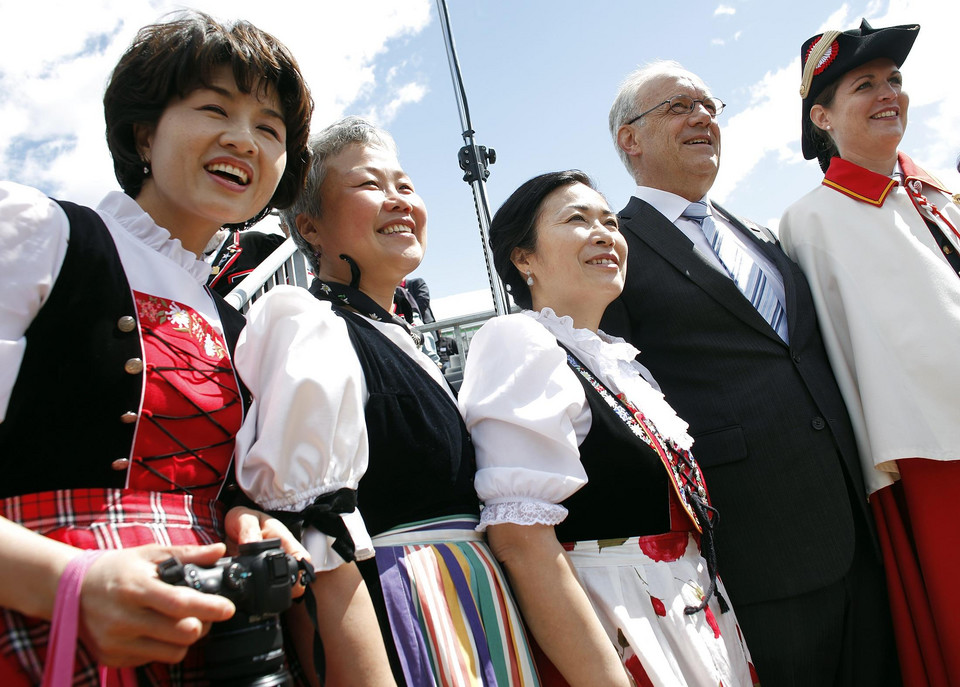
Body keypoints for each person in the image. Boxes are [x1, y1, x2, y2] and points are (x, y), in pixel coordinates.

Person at [0, 12, 313, 686]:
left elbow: (198, 486)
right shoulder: (39, 236)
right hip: (35, 633)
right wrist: (66, 580)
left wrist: (242, 520)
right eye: (213, 108)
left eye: (269, 127)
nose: (244, 139)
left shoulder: (235, 324)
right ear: (144, 131)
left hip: (202, 647)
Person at [600, 60, 897, 686]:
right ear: (630, 137)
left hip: (856, 528)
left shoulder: (759, 234)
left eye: (711, 104)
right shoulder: (615, 251)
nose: (703, 117)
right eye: (680, 106)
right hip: (758, 555)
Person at [234, 116, 539, 687]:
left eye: (404, 185)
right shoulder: (311, 328)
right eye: (370, 185)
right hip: (405, 618)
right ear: (311, 227)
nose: (399, 200)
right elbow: (317, 545)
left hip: (474, 607)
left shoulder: (392, 337)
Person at [459, 170, 758, 686]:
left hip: (686, 609)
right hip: (616, 621)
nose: (604, 233)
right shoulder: (520, 342)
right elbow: (521, 542)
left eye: (611, 222)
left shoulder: (617, 361)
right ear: (523, 257)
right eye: (577, 219)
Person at [780, 19, 960, 686]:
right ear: (821, 115)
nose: (888, 93)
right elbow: (844, 365)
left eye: (894, 80)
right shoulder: (812, 221)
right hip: (932, 459)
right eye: (865, 85)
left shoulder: (943, 191)